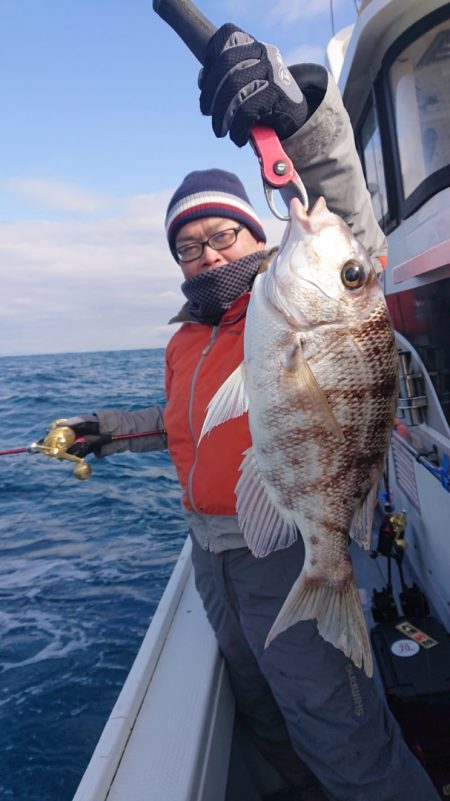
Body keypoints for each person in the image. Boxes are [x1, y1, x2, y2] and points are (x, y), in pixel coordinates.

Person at [55, 25, 440, 801]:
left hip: (286, 549)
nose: (207, 256)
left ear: (259, 234)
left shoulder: (291, 302)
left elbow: (349, 222)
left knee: (338, 725)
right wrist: (104, 428)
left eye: (222, 234)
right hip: (211, 558)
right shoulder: (189, 339)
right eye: (187, 247)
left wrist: (299, 117)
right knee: (265, 714)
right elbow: (186, 423)